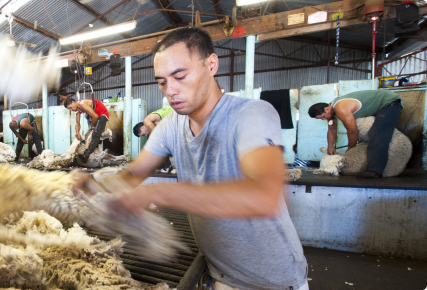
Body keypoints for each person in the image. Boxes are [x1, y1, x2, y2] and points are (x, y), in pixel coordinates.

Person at [75, 27, 308, 290]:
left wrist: (160, 193)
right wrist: (93, 185)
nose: (170, 90)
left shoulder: (251, 114)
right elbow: (131, 176)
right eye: (162, 82)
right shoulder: (170, 126)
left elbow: (265, 196)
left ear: (211, 65)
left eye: (180, 76)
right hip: (219, 274)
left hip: (271, 280)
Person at [308, 90, 404, 179]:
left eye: (323, 117)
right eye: (320, 119)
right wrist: (330, 147)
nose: (323, 119)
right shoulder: (331, 113)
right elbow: (331, 130)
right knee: (369, 135)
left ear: (327, 109)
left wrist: (350, 151)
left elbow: (353, 131)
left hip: (390, 103)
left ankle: (374, 171)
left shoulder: (341, 109)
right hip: (380, 106)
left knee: (378, 133)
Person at [64, 97, 110, 163]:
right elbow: (77, 123)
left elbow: (95, 116)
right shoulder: (77, 109)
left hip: (102, 114)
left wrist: (92, 125)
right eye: (69, 109)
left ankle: (86, 155)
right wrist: (77, 133)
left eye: (71, 108)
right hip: (96, 116)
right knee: (93, 135)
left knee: (96, 135)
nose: (71, 110)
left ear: (73, 102)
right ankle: (94, 153)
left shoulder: (82, 104)